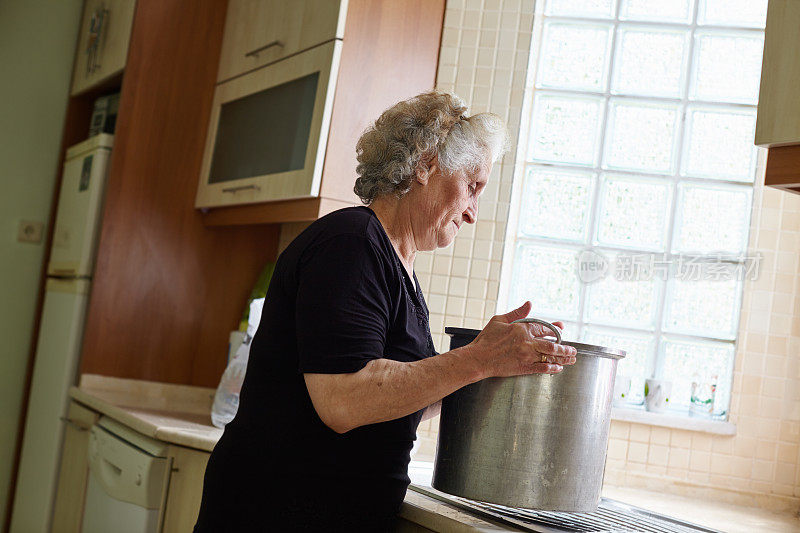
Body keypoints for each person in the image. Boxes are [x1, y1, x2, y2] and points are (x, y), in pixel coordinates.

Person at [193, 92, 577, 532]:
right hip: (274, 513)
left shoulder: (397, 267)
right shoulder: (351, 244)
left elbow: (403, 399)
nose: (473, 213)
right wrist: (479, 357)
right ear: (426, 164)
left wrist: (494, 364)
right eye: (473, 186)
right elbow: (344, 400)